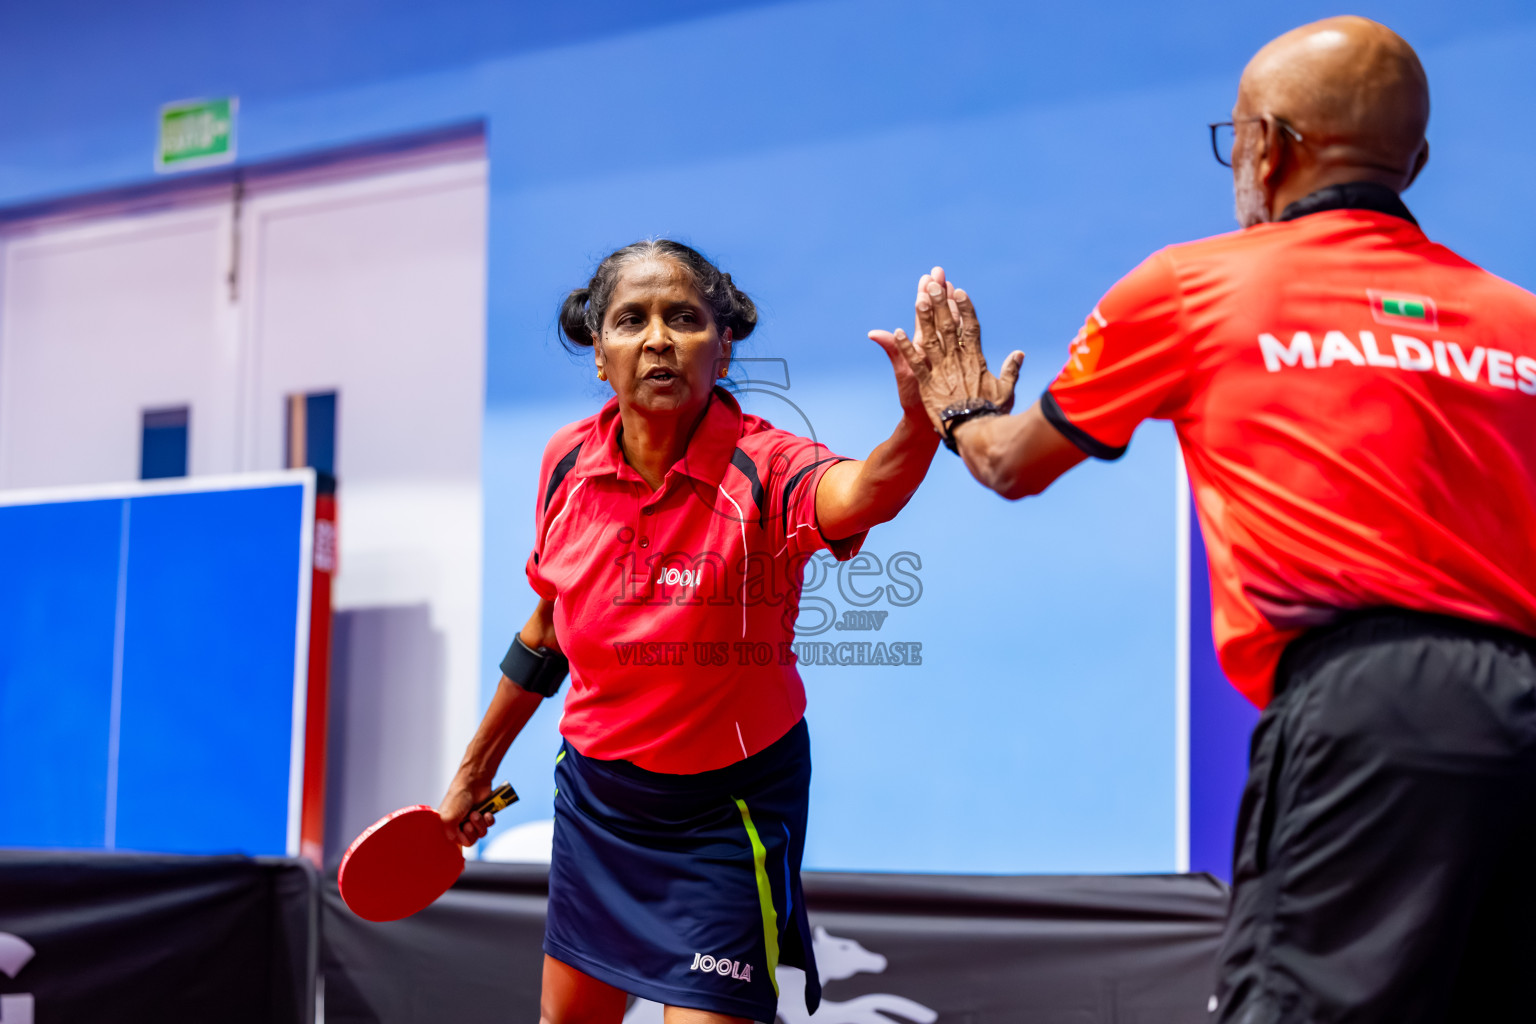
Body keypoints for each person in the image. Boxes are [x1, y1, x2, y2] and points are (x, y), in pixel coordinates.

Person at [881, 16, 1536, 1023]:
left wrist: (964, 409)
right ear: (1417, 162)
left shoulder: (1194, 285)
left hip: (1369, 709)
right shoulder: (1517, 319)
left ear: (1267, 146)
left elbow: (1013, 467)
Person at [438, 239, 940, 1024]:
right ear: (600, 353)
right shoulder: (566, 462)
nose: (659, 339)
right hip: (600, 805)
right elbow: (548, 627)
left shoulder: (765, 467)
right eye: (631, 321)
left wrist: (919, 424)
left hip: (726, 814)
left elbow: (863, 492)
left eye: (684, 318)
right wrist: (475, 772)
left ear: (724, 344)